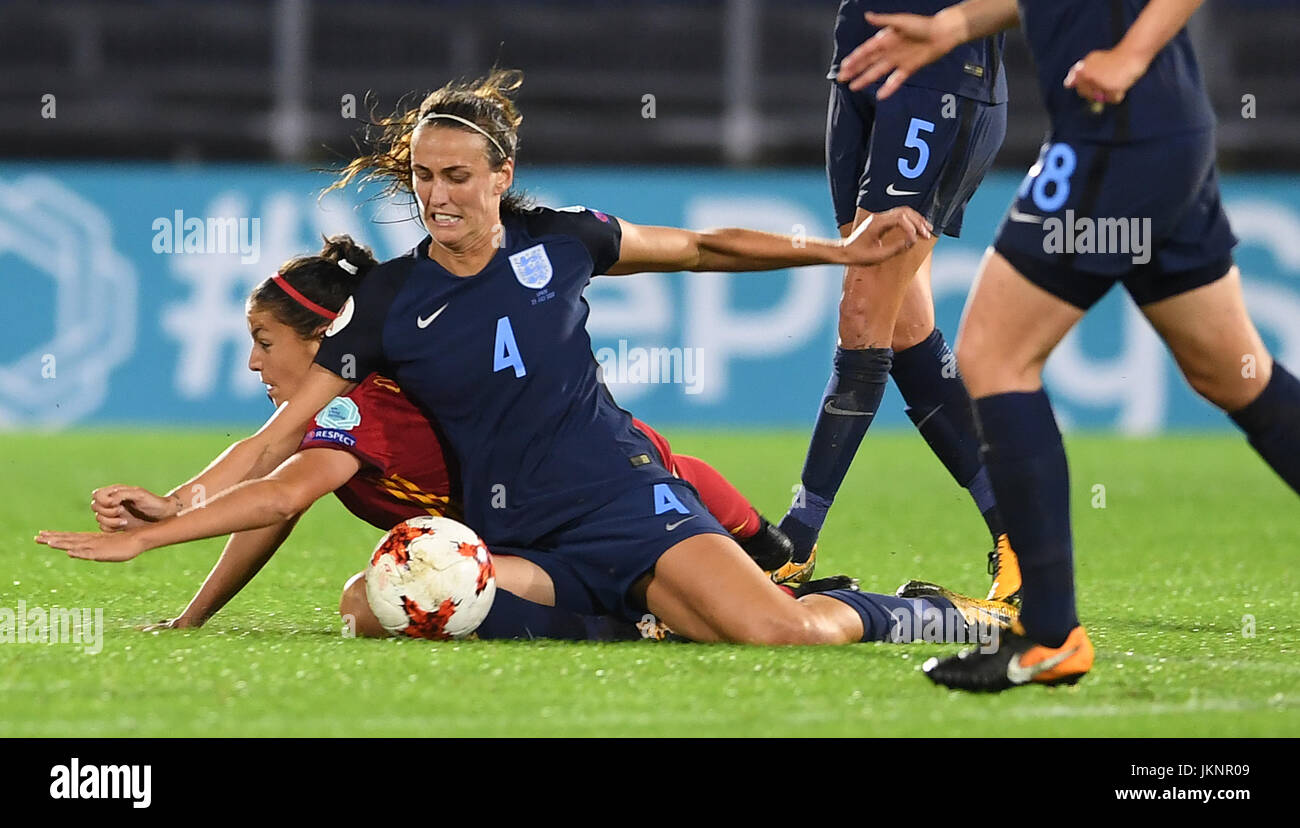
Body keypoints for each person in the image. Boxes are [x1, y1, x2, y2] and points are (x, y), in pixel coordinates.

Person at [38, 231, 1014, 644]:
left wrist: (161, 530)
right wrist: (190, 594)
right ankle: (657, 616)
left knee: (776, 623)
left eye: (262, 342)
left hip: (633, 494)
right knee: (369, 602)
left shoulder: (360, 407)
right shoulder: (339, 408)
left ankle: (906, 608)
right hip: (533, 537)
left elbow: (279, 492)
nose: (254, 363)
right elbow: (265, 487)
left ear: (318, 341)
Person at [837, 0, 1300, 689]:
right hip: (1161, 135)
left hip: (1116, 139)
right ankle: (1048, 631)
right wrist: (955, 26)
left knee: (995, 355)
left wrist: (1132, 53)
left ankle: (1049, 633)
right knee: (1235, 375)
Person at [778, 1, 1019, 611]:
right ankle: (1021, 534)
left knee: (862, 309)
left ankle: (794, 545)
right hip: (860, 53)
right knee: (903, 326)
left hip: (940, 75)